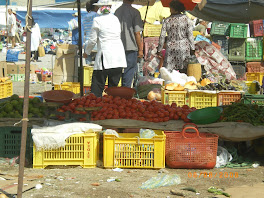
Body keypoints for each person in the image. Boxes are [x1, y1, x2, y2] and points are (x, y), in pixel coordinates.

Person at [84, 0, 127, 97]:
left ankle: (96, 107)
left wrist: (87, 52)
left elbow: (92, 40)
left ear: (99, 8)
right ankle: (111, 108)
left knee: (97, 87)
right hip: (118, 57)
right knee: (113, 90)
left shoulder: (97, 20)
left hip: (105, 56)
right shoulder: (115, 19)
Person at [157, 0, 195, 73]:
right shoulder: (187, 19)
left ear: (174, 8)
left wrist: (159, 50)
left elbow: (162, 36)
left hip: (171, 48)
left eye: (170, 8)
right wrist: (192, 49)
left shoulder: (167, 20)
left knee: (169, 72)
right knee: (183, 70)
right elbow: (190, 36)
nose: (170, 10)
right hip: (184, 47)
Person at [114, 0, 143, 88]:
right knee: (129, 70)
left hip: (118, 45)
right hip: (131, 46)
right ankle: (125, 91)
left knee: (117, 70)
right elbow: (137, 33)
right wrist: (140, 50)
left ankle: (115, 90)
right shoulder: (135, 12)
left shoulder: (117, 11)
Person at [82, 0, 99, 65]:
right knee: (97, 65)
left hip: (87, 43)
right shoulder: (97, 17)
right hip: (96, 43)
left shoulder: (85, 17)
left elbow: (85, 32)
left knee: (88, 65)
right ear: (95, 7)